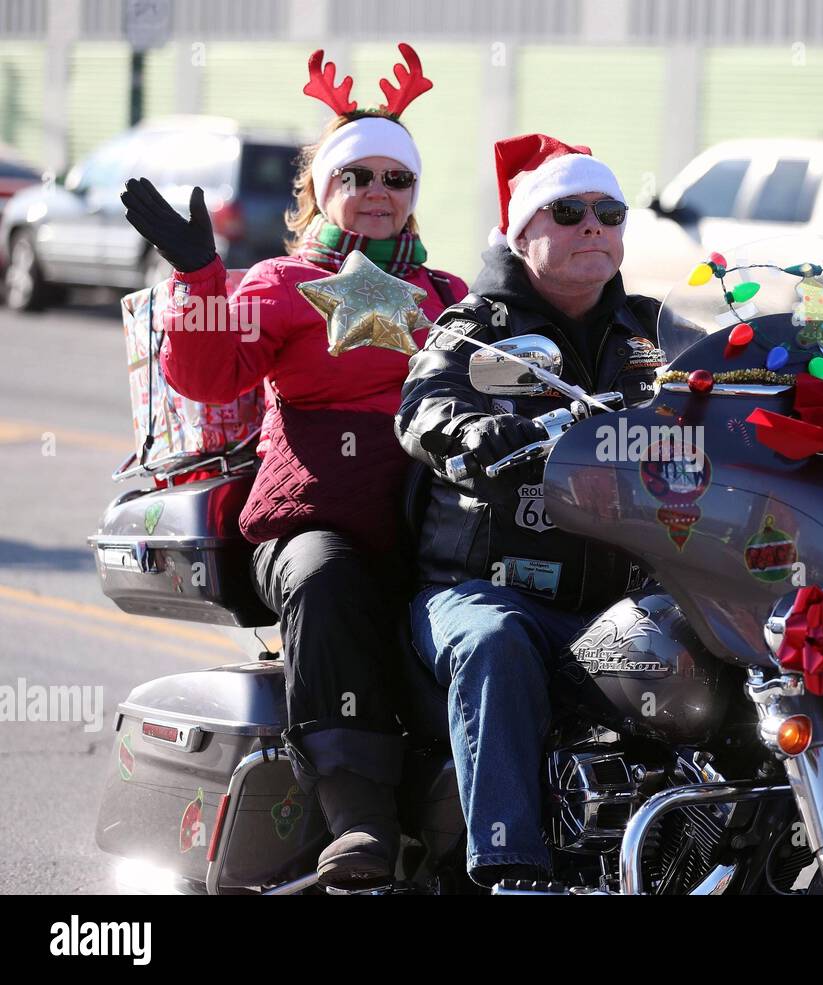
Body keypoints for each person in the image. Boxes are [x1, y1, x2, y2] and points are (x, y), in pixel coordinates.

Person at [119, 44, 468, 889]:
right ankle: (358, 821)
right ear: (321, 192)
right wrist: (200, 276)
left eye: (397, 178)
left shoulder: (453, 295)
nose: (379, 193)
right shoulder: (280, 282)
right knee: (328, 573)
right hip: (310, 533)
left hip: (437, 537)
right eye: (359, 178)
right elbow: (205, 378)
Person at [397, 134, 662, 887]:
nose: (593, 227)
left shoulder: (650, 336)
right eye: (569, 211)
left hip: (618, 600)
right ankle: (513, 868)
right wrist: (479, 432)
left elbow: (723, 388)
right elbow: (425, 404)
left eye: (609, 212)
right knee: (496, 638)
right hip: (480, 591)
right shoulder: (475, 328)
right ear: (521, 232)